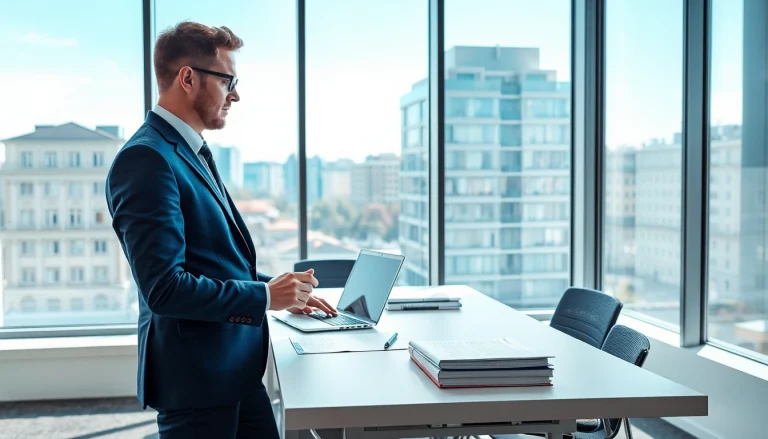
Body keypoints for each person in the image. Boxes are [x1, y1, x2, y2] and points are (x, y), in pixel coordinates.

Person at [106, 21, 337, 438]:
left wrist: (283, 290)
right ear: (188, 78)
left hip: (233, 370)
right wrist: (265, 295)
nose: (236, 94)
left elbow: (212, 261)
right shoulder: (146, 160)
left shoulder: (187, 151)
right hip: (196, 382)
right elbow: (165, 288)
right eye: (228, 80)